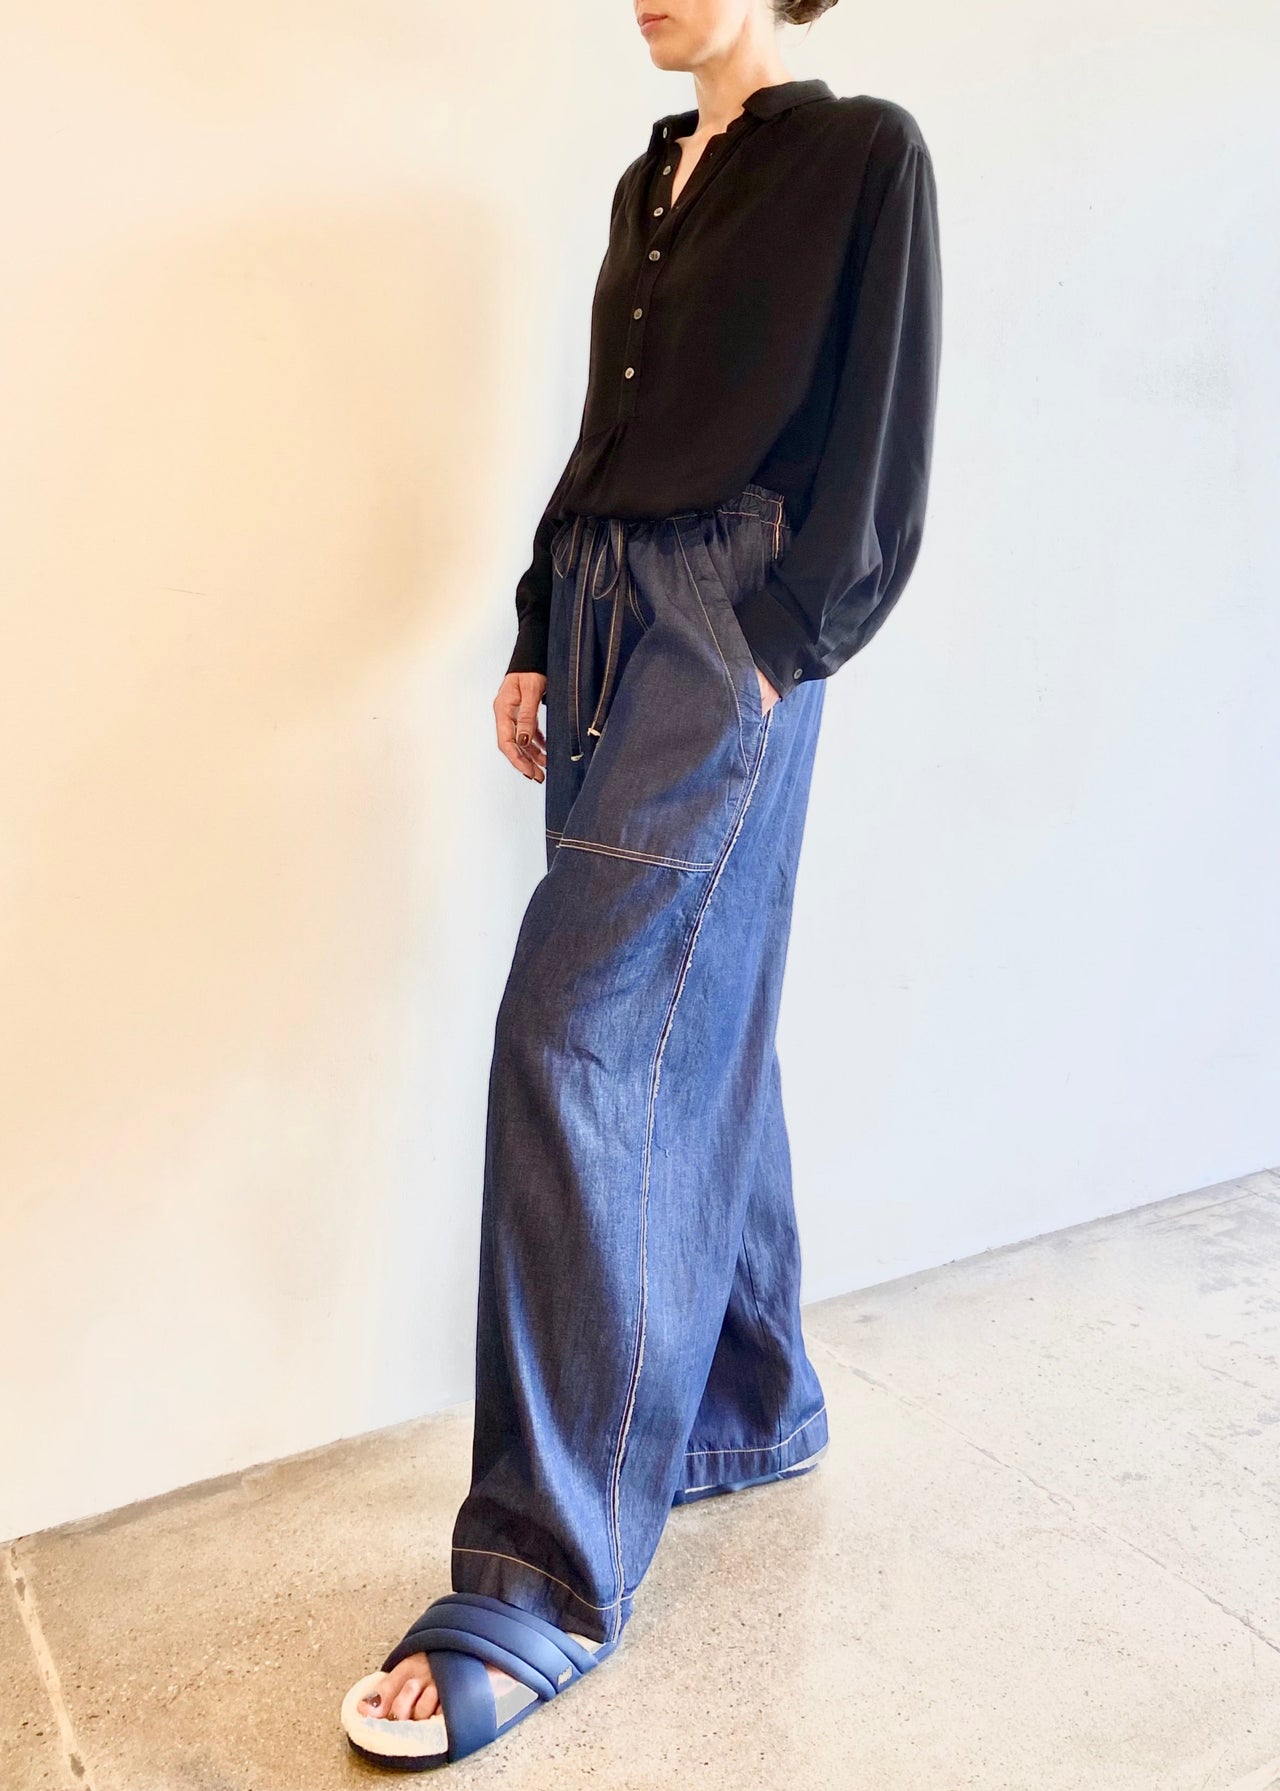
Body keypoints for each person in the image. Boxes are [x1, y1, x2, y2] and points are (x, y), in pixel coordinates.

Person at [340, 0, 942, 1768]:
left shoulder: (861, 152)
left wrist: (774, 641)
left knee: (578, 1033)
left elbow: (881, 447)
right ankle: (749, 1401)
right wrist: (541, 626)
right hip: (604, 612)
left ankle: (538, 1575)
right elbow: (610, 432)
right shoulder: (650, 178)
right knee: (700, 995)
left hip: (722, 622)